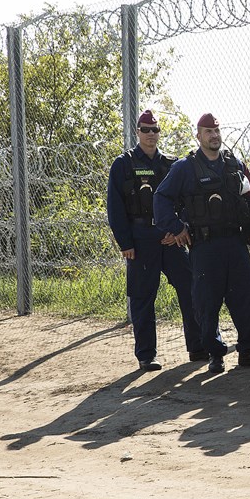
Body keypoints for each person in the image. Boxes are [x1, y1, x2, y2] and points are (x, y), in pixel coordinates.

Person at [153, 113, 250, 374]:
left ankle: (249, 350)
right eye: (208, 131)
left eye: (217, 131)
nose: (214, 135)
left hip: (235, 242)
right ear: (198, 136)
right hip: (205, 246)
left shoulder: (234, 163)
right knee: (207, 302)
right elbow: (161, 198)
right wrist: (176, 228)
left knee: (244, 297)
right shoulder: (185, 168)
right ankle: (215, 353)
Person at [105, 110, 206, 371]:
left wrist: (179, 229)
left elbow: (186, 201)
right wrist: (125, 243)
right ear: (137, 131)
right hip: (140, 240)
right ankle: (146, 355)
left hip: (171, 239)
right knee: (143, 298)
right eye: (145, 129)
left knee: (191, 289)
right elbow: (115, 207)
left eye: (155, 129)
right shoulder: (123, 164)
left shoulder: (172, 164)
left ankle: (198, 347)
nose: (151, 134)